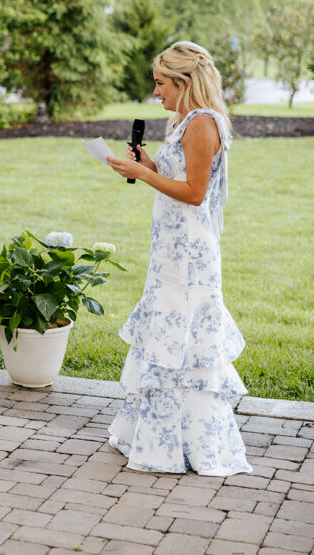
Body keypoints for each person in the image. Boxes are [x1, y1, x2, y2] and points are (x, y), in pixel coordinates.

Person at [105, 41, 251, 475]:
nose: (156, 92)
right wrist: (149, 164)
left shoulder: (202, 124)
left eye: (161, 83)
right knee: (166, 337)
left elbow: (195, 193)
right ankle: (155, 438)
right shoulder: (185, 122)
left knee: (184, 343)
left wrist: (143, 174)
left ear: (184, 83)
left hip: (189, 255)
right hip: (170, 250)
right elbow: (178, 178)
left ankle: (189, 445)